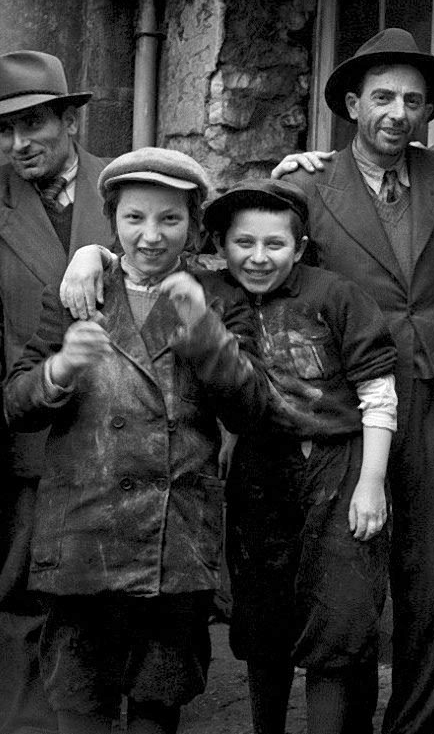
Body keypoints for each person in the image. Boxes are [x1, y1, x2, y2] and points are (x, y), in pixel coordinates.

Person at [3, 147, 268, 734]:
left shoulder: (219, 298)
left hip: (173, 546)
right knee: (80, 708)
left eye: (170, 219)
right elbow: (15, 405)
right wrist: (60, 370)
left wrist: (206, 334)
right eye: (134, 218)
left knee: (156, 705)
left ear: (193, 225)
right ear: (112, 220)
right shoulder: (75, 294)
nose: (151, 236)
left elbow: (251, 410)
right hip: (82, 539)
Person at [279, 29, 434, 734]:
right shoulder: (303, 184)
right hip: (350, 400)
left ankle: (414, 723)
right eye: (384, 98)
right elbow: (262, 270)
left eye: (413, 101)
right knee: (351, 571)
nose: (399, 113)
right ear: (352, 104)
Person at [202, 178, 398, 734]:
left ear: (300, 246)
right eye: (244, 243)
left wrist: (371, 482)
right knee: (263, 615)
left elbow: (378, 393)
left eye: (275, 244)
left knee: (337, 615)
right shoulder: (213, 294)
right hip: (260, 469)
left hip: (338, 465)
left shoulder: (335, 296)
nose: (258, 258)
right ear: (221, 245)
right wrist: (89, 257)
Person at [0, 51, 110, 734]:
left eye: (34, 122)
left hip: (123, 439)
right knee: (24, 597)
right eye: (6, 130)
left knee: (116, 605)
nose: (19, 143)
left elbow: (206, 246)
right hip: (32, 437)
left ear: (70, 120)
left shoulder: (125, 184)